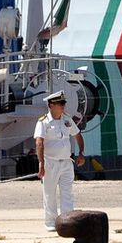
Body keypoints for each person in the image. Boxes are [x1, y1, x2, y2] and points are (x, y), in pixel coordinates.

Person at [34, 90, 84, 230]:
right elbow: (39, 142)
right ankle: (51, 223)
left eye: (63, 103)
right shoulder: (43, 122)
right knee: (49, 194)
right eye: (60, 103)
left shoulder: (67, 120)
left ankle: (67, 222)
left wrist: (81, 153)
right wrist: (41, 163)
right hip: (50, 162)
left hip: (66, 162)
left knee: (67, 193)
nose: (63, 106)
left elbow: (78, 135)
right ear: (51, 105)